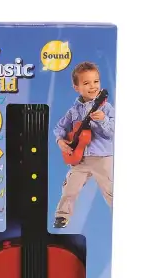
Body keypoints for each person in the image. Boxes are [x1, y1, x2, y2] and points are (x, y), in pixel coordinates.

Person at [53, 61, 115, 228]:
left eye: (96, 81)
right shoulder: (74, 111)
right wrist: (60, 141)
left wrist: (103, 120)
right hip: (79, 159)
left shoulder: (106, 108)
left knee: (110, 190)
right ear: (76, 87)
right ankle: (62, 216)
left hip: (102, 158)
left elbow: (112, 133)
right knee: (69, 189)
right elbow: (59, 128)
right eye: (86, 83)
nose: (93, 86)